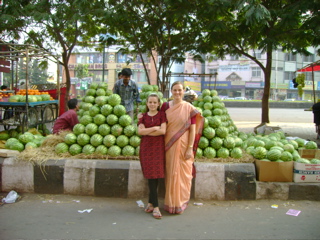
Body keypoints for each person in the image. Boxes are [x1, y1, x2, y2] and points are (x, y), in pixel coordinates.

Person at [160, 81, 204, 214]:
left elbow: (193, 128)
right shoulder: (165, 106)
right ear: (171, 91)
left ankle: (180, 202)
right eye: (175, 90)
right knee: (171, 173)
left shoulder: (188, 107)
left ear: (184, 91)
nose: (177, 93)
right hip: (168, 144)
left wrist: (190, 147)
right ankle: (170, 203)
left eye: (180, 90)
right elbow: (158, 120)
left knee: (183, 173)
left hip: (184, 144)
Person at [138, 93, 167, 219]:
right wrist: (155, 127)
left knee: (156, 176)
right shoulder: (142, 117)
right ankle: (155, 207)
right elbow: (140, 131)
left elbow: (163, 131)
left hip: (158, 149)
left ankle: (151, 203)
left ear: (159, 104)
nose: (152, 104)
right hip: (146, 149)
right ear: (147, 103)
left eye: (155, 102)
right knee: (150, 176)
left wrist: (147, 131)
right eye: (150, 102)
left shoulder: (162, 115)